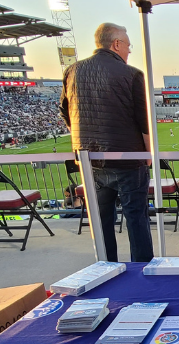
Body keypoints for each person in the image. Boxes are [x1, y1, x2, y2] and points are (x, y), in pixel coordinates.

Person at [60, 22, 153, 262]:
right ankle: (141, 274)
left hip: (91, 160)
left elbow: (66, 113)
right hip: (127, 161)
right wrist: (148, 156)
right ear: (116, 44)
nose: (129, 51)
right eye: (128, 45)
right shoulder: (132, 74)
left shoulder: (72, 71)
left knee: (101, 223)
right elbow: (144, 123)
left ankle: (106, 270)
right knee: (136, 219)